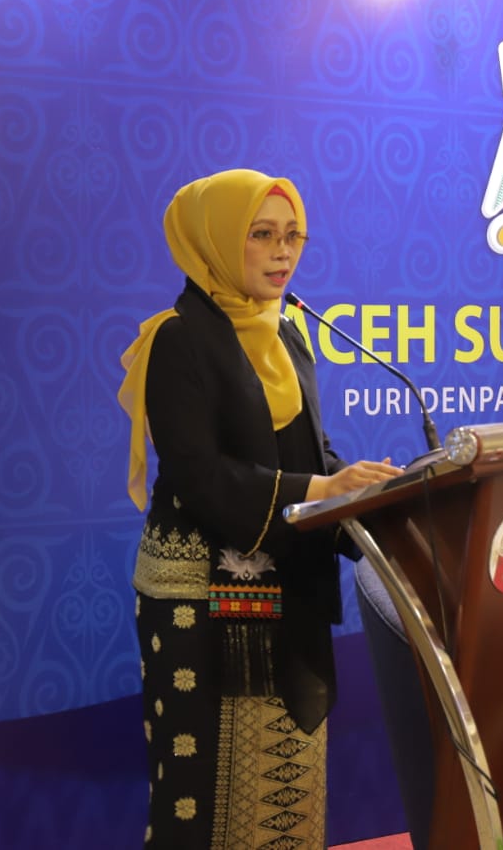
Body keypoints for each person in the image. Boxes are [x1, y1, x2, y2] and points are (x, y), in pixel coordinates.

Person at [116, 168, 402, 848]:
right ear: (215, 239)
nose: (283, 253)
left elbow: (312, 452)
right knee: (201, 797)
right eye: (263, 235)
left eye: (293, 236)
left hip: (287, 593)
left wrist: (370, 494)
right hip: (197, 603)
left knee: (284, 795)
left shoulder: (288, 336)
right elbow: (201, 475)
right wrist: (320, 490)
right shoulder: (178, 339)